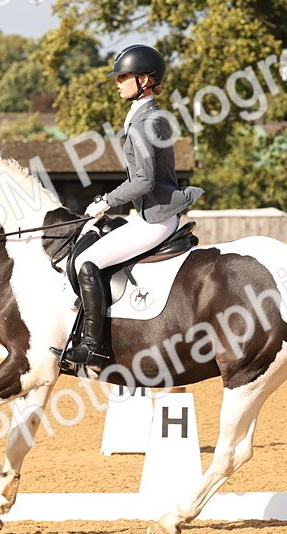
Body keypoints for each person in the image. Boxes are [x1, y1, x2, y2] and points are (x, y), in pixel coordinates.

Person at [51, 44, 204, 372]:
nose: (117, 82)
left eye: (124, 76)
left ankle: (91, 347)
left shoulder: (144, 122)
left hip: (155, 218)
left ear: (144, 80)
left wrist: (105, 201)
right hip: (152, 213)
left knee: (87, 261)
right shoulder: (151, 114)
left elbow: (143, 182)